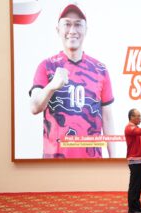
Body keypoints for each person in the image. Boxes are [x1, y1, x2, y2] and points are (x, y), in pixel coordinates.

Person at [29, 3, 115, 158]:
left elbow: (108, 118)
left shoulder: (100, 69)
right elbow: (34, 107)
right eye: (67, 24)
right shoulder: (46, 66)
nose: (72, 31)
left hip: (92, 163)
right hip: (54, 164)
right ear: (58, 30)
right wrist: (51, 86)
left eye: (78, 25)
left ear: (86, 30)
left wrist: (113, 159)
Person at [124, 109, 141, 213]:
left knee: (138, 185)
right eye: (138, 116)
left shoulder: (137, 128)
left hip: (140, 160)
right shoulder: (129, 128)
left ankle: (137, 206)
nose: (140, 118)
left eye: (140, 116)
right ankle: (132, 209)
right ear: (131, 117)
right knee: (134, 185)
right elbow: (140, 131)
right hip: (135, 161)